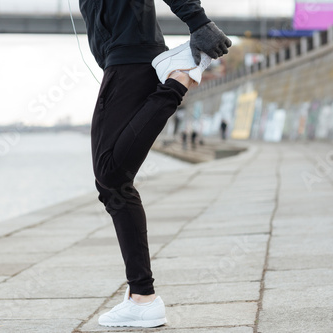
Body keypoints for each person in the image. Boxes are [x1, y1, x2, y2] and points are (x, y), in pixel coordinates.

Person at [78, 0, 231, 328]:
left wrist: (198, 22)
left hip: (128, 57)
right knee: (113, 182)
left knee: (111, 176)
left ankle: (178, 80)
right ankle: (141, 296)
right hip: (126, 58)